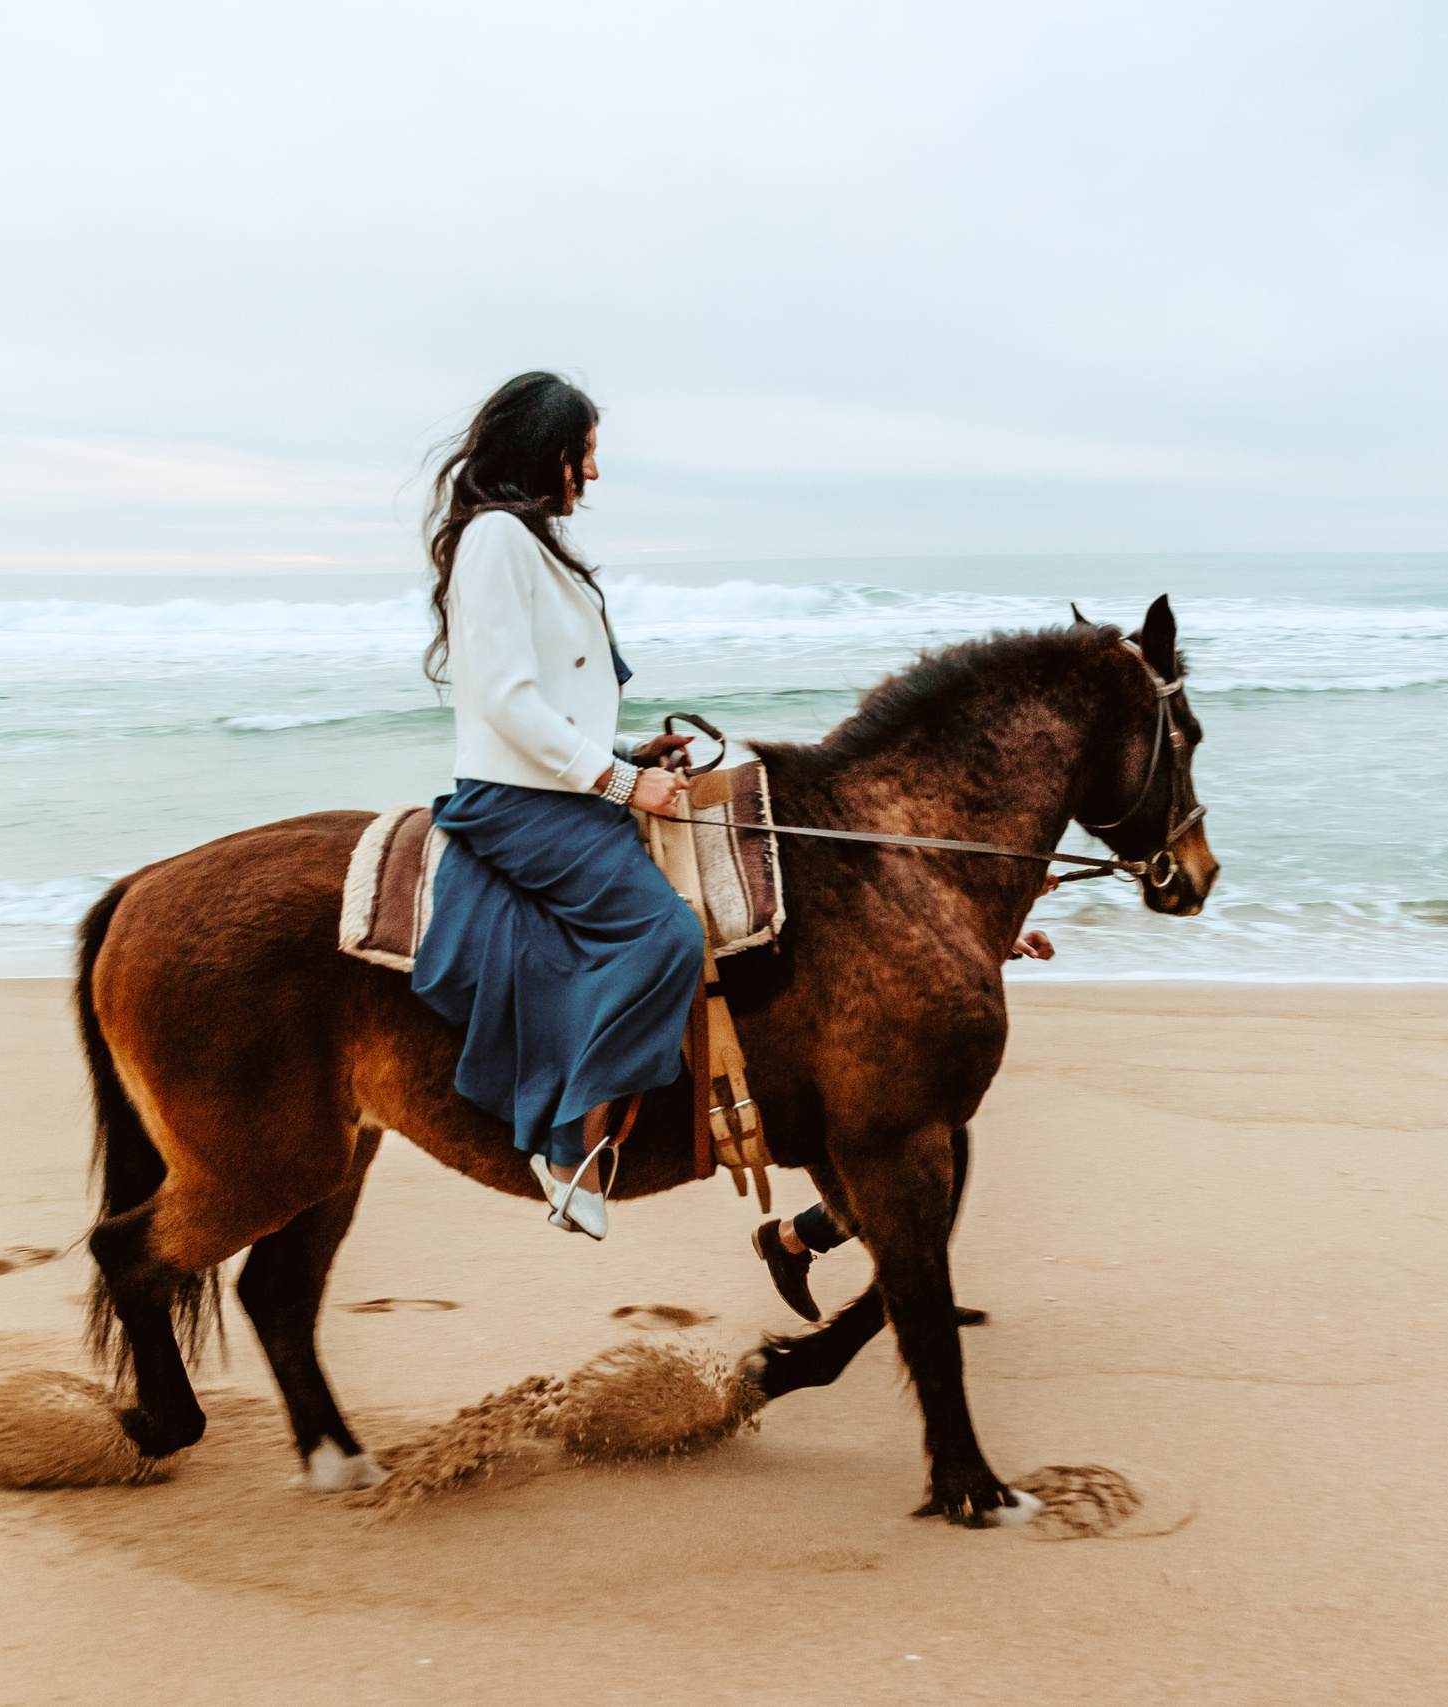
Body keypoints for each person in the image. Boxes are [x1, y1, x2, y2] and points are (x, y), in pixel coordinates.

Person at [409, 372, 700, 1243]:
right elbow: (504, 702)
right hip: (515, 802)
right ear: (551, 453)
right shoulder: (497, 538)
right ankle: (567, 1144)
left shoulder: (523, 541)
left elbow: (552, 704)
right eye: (587, 455)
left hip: (551, 781)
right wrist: (621, 786)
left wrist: (624, 753)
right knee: (668, 936)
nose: (593, 475)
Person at [750, 923, 1054, 1320]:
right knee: (922, 1167)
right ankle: (801, 1242)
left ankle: (801, 1241)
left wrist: (1000, 937)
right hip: (853, 1026)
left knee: (938, 1158)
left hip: (883, 1020)